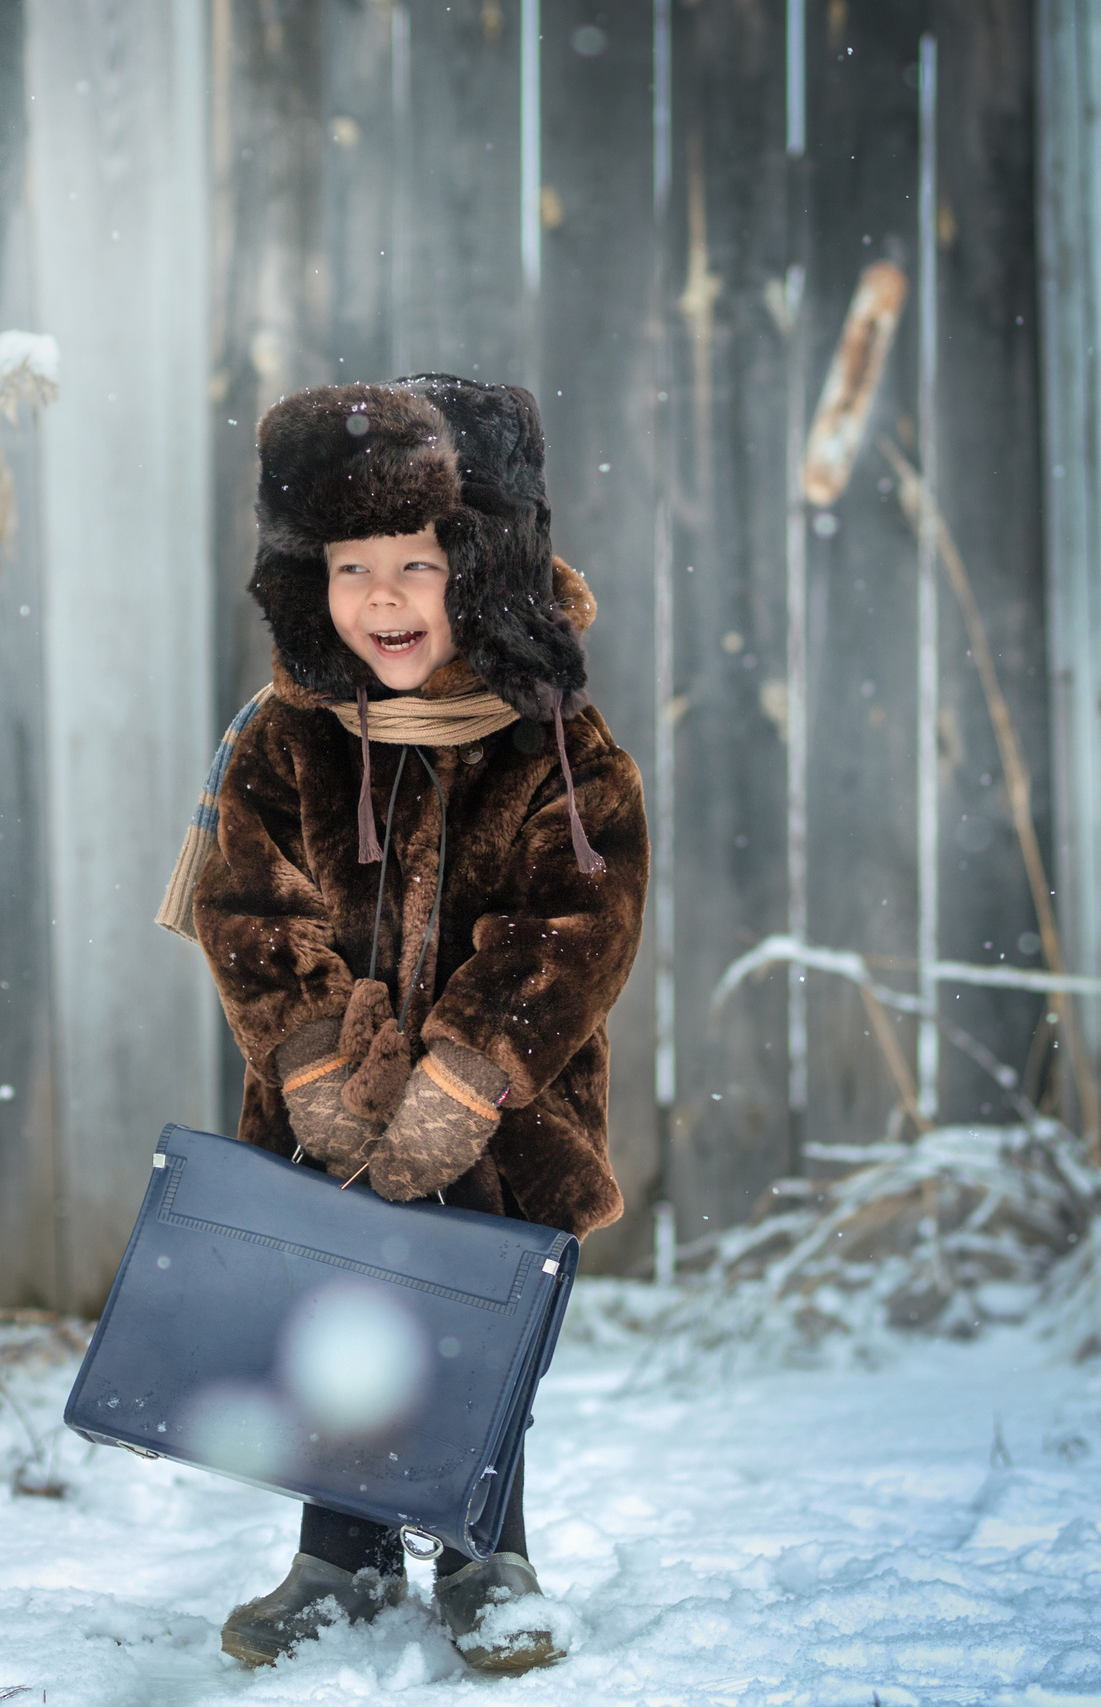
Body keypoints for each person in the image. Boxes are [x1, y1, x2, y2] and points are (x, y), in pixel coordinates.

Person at [181, 376, 647, 1672]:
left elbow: (576, 920)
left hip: (507, 1134)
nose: (381, 598)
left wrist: (469, 1072)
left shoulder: (560, 750)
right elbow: (249, 906)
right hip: (329, 1129)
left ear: (481, 567)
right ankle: (340, 1555)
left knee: (471, 1337)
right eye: (349, 567)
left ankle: (487, 1557)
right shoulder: (290, 743)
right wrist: (317, 1056)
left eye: (415, 564)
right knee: (339, 1327)